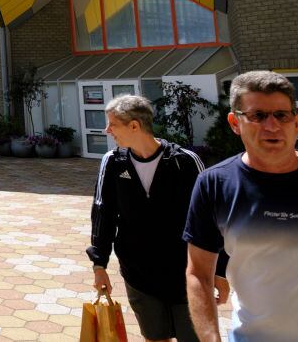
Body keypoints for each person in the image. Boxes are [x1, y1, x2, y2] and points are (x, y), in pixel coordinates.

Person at [185, 71, 298, 342]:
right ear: (235, 123)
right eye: (258, 116)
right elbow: (198, 271)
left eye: (281, 115)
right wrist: (210, 338)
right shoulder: (214, 185)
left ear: (297, 122)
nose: (272, 126)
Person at [88, 94, 227, 342]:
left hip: (186, 274)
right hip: (139, 274)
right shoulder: (112, 163)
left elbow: (212, 218)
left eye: (112, 124)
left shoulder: (183, 161)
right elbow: (103, 214)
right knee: (155, 338)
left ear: (134, 125)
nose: (107, 130)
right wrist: (99, 265)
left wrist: (221, 271)